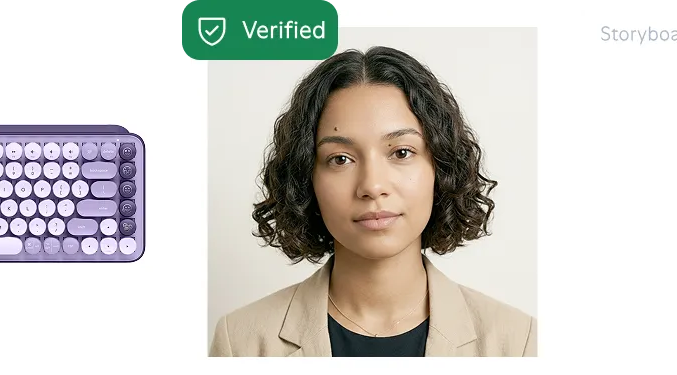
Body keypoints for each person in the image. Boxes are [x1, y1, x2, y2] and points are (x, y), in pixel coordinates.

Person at [211, 46, 532, 357]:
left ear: (440, 167)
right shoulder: (241, 342)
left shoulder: (517, 343)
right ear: (306, 178)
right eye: (340, 159)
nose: (372, 186)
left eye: (401, 152)